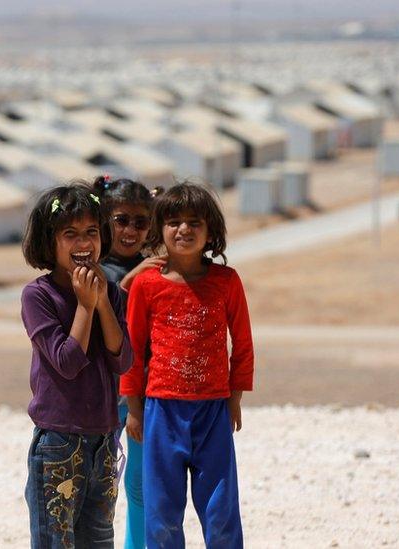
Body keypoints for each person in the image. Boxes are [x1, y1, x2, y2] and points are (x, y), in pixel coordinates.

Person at [120, 183, 254, 548]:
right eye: (174, 221)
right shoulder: (147, 285)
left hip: (213, 410)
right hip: (161, 410)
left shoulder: (227, 282)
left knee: (221, 511)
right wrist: (134, 409)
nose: (184, 229)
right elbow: (132, 350)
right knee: (162, 514)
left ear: (211, 231)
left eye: (194, 222)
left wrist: (235, 398)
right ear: (160, 229)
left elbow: (241, 345)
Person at [21, 183, 134, 548]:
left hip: (103, 438)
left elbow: (124, 359)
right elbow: (68, 362)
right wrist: (85, 306)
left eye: (91, 232)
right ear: (49, 242)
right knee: (57, 540)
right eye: (70, 234)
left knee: (99, 539)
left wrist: (101, 302)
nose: (83, 243)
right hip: (58, 441)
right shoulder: (38, 296)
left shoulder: (112, 292)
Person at [92, 175, 162, 549]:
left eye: (140, 221)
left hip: (143, 396)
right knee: (101, 487)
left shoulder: (153, 270)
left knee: (140, 485)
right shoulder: (95, 268)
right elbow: (110, 301)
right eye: (121, 220)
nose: (131, 230)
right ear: (105, 220)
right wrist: (140, 272)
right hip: (103, 398)